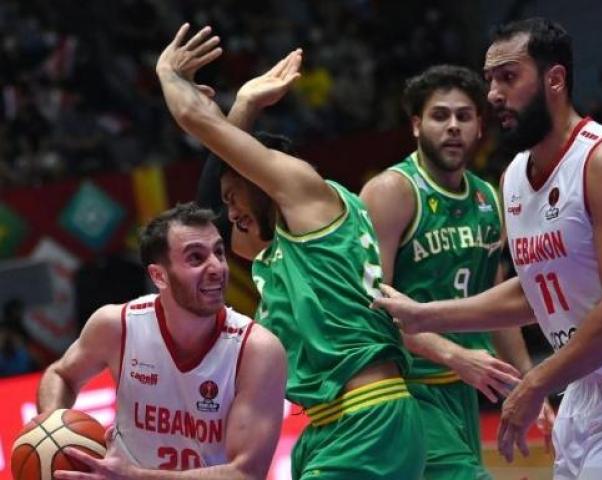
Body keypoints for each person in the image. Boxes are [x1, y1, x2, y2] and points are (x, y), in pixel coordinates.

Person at [373, 17, 602, 480]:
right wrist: (429, 315)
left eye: (508, 77)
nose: (494, 94)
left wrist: (537, 380)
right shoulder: (514, 178)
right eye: (490, 80)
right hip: (589, 380)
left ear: (554, 79)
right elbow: (534, 289)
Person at [157, 24, 425, 479]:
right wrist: (242, 107)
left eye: (234, 195)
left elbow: (195, 119)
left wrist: (167, 72)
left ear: (262, 178)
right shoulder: (285, 243)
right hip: (328, 427)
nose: (231, 212)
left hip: (368, 418)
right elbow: (206, 220)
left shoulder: (307, 195)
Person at [360, 64, 554, 480]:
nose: (453, 127)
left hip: (462, 387)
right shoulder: (391, 191)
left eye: (463, 117)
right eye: (439, 116)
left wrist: (526, 382)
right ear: (416, 126)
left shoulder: (488, 197)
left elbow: (496, 306)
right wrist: (452, 353)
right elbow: (370, 308)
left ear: (480, 128)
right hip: (405, 387)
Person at [38, 203, 287, 480]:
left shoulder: (256, 349)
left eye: (218, 252)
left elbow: (247, 473)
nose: (217, 267)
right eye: (196, 258)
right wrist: (52, 429)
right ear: (158, 275)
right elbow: (61, 374)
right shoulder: (117, 325)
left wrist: (134, 476)